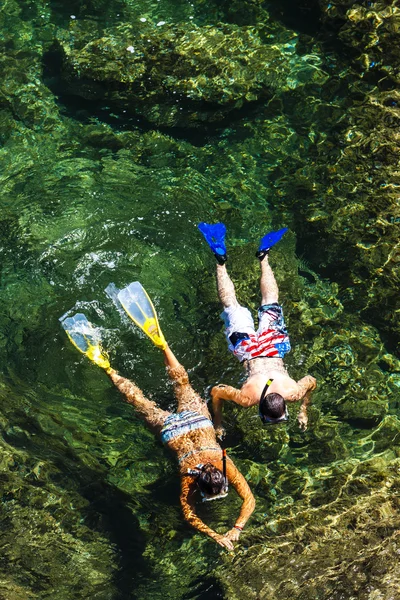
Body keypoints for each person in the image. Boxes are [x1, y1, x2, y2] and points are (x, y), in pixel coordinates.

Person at [61, 313, 255, 550]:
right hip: (171, 432)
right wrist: (220, 534)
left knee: (182, 384)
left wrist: (236, 527)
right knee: (139, 401)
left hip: (199, 424)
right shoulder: (188, 479)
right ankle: (108, 369)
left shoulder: (224, 463)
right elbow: (190, 515)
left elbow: (248, 499)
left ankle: (163, 345)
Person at [198, 223, 317, 437]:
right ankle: (220, 261)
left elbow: (310, 381)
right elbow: (216, 391)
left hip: (273, 346)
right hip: (248, 350)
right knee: (231, 305)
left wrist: (302, 407)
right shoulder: (247, 399)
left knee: (270, 300)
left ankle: (263, 256)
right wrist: (217, 423)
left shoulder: (293, 392)